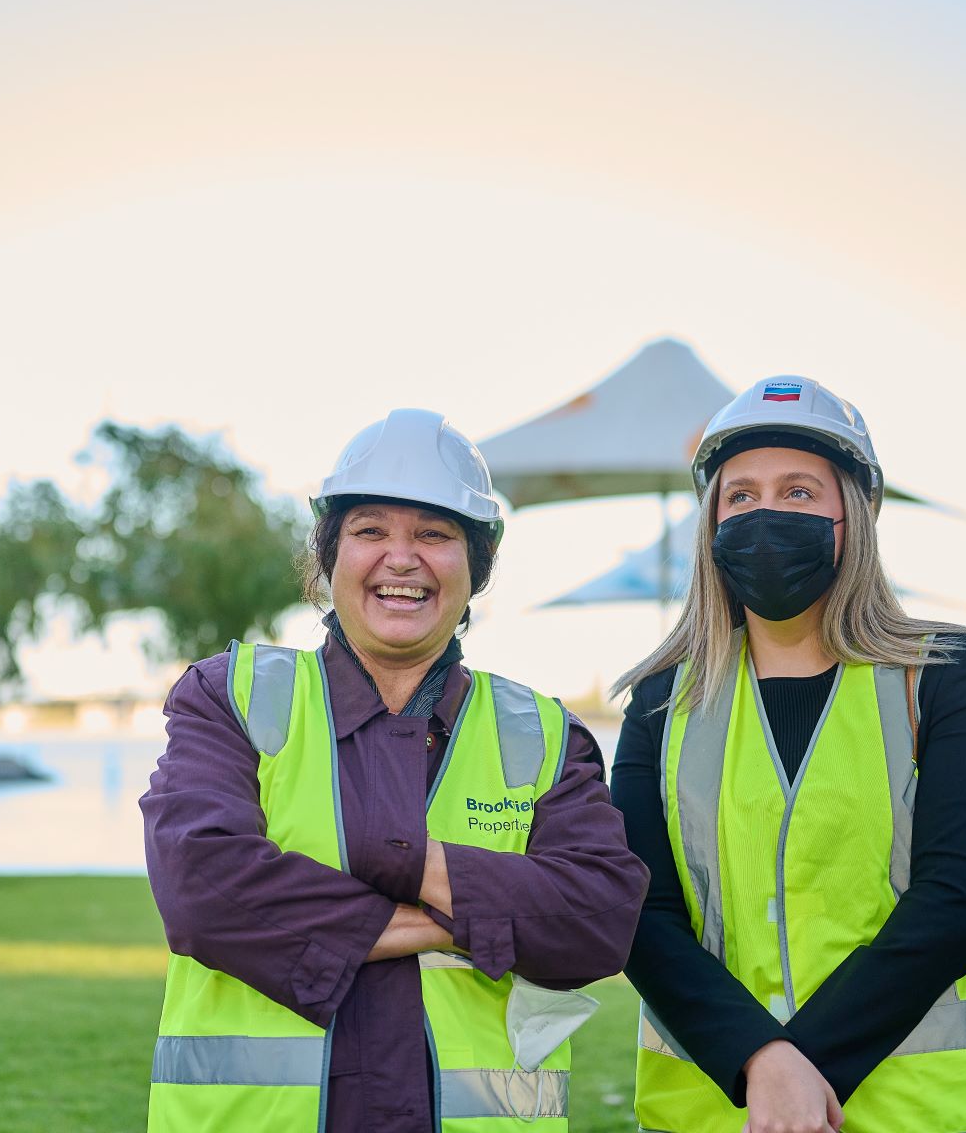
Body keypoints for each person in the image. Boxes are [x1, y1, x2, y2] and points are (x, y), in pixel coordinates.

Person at [141, 408, 647, 1133]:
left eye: (434, 535)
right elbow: (203, 889)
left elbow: (599, 919)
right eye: (370, 530)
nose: (400, 559)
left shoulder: (541, 734)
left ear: (477, 567)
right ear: (329, 557)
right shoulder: (232, 696)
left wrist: (398, 864)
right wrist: (464, 917)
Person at [610, 377, 966, 1133]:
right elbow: (639, 912)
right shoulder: (661, 700)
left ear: (852, 517)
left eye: (798, 493)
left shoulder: (941, 674)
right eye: (741, 497)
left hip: (915, 1114)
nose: (765, 515)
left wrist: (797, 1068)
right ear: (712, 523)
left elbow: (958, 897)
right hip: (712, 1113)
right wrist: (758, 1062)